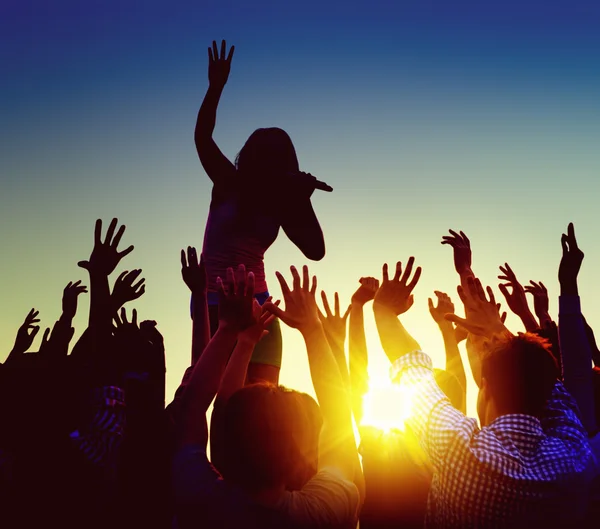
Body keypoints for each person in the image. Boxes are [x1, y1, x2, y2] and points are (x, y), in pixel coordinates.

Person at [371, 256, 594, 529]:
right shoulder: (576, 458)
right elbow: (556, 387)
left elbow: (412, 367)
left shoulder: (459, 451)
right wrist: (497, 329)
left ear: (484, 387)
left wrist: (382, 307)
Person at [194, 40, 331, 384]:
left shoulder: (282, 202)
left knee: (260, 405)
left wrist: (302, 197)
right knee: (213, 397)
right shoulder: (228, 183)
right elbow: (203, 138)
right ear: (252, 159)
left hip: (260, 307)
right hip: (214, 303)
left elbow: (316, 251)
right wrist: (215, 88)